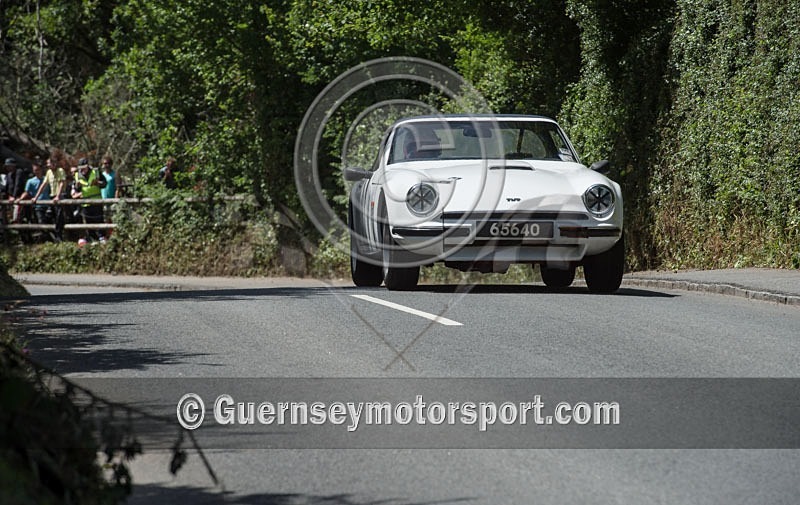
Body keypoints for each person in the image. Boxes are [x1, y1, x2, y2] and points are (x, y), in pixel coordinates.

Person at [72, 158, 107, 244]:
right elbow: (75, 189)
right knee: (88, 222)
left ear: (88, 166)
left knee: (99, 220)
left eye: (83, 168)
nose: (82, 170)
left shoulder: (96, 172)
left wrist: (98, 183)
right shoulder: (77, 175)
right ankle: (92, 239)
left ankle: (102, 237)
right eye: (80, 168)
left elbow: (104, 184)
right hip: (85, 203)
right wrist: (77, 186)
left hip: (96, 201)